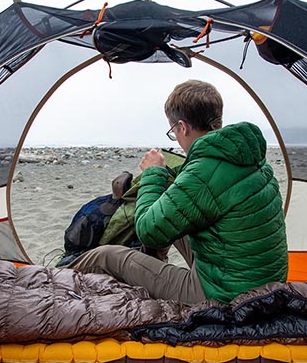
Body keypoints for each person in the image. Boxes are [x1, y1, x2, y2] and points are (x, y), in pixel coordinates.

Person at [68, 79, 288, 305]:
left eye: (173, 131)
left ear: (183, 127)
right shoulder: (250, 157)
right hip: (262, 280)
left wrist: (153, 173)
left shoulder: (203, 173)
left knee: (107, 256)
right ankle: (152, 264)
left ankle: (55, 277)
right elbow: (205, 193)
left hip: (224, 294)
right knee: (170, 213)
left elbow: (147, 230)